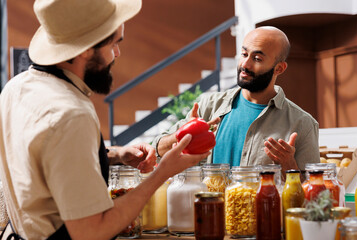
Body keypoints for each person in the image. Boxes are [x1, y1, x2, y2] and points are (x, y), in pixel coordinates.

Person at [0, 0, 210, 239]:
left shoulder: (14, 88)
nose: (118, 53)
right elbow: (91, 232)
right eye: (114, 44)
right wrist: (162, 173)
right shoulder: (71, 114)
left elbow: (46, 158)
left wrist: (114, 155)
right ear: (86, 49)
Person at [152, 26, 320, 176]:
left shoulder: (302, 124)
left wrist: (289, 166)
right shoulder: (209, 107)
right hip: (206, 209)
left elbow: (314, 200)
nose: (245, 64)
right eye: (244, 54)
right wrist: (182, 135)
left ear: (279, 68)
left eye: (257, 59)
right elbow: (156, 150)